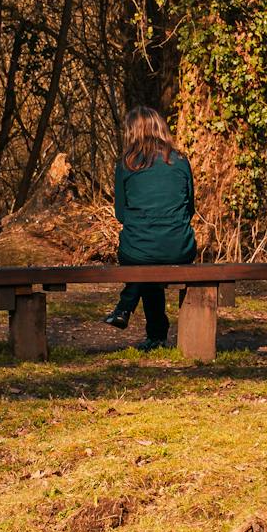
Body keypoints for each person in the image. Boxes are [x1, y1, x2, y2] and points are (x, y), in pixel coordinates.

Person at [104, 105, 197, 349]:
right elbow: (190, 209)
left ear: (132, 132)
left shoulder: (126, 164)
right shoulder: (180, 161)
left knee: (143, 258)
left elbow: (121, 214)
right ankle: (154, 334)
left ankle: (131, 311)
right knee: (149, 256)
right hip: (179, 246)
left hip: (138, 248)